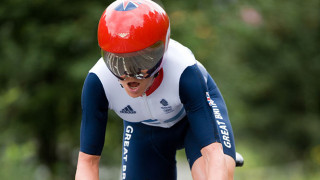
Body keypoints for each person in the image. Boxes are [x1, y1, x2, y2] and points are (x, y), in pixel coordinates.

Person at [75, 0, 236, 179]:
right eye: (118, 62)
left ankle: (228, 158)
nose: (129, 75)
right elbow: (87, 160)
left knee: (209, 174)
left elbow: (212, 152)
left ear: (162, 51)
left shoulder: (184, 70)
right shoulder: (98, 81)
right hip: (144, 128)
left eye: (141, 61)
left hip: (192, 120)